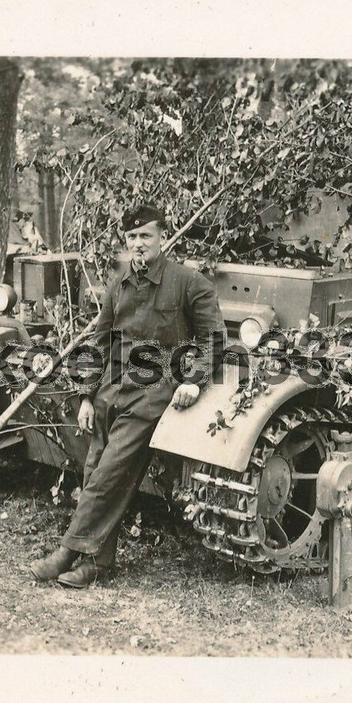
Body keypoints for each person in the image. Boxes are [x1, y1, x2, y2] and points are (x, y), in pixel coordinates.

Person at [29, 204, 225, 589]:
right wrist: (86, 395)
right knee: (95, 473)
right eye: (132, 237)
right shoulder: (119, 282)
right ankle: (98, 564)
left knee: (109, 474)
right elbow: (100, 341)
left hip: (152, 395)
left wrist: (194, 380)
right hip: (110, 393)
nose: (138, 244)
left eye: (146, 236)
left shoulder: (188, 282)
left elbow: (214, 338)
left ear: (162, 237)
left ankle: (67, 551)